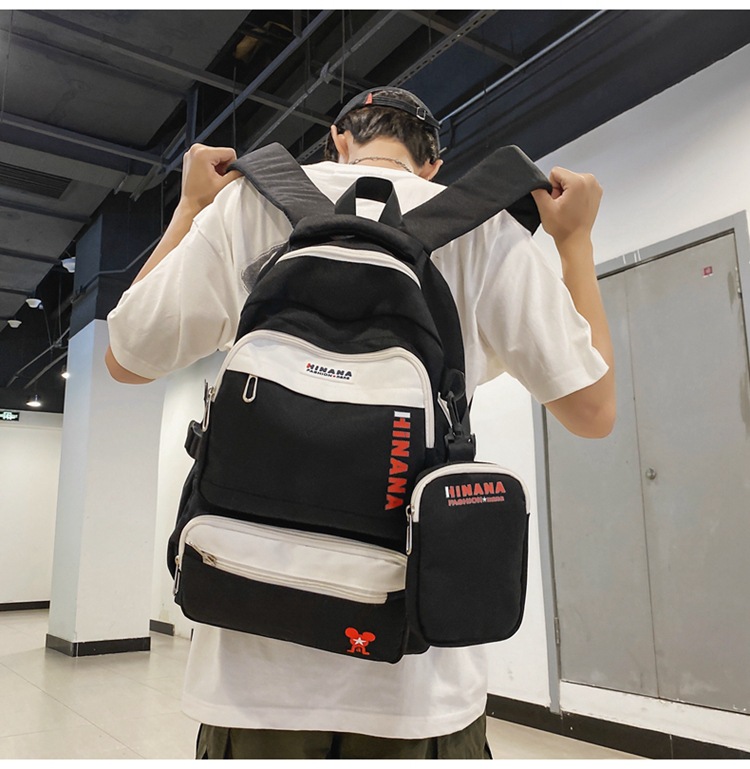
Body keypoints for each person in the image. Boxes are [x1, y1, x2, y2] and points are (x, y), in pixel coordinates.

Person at [105, 87, 615, 759]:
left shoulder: (250, 203)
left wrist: (191, 207)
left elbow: (126, 357)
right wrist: (574, 241)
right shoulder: (485, 229)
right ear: (432, 164)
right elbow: (593, 411)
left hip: (250, 682)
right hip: (418, 689)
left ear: (339, 139)